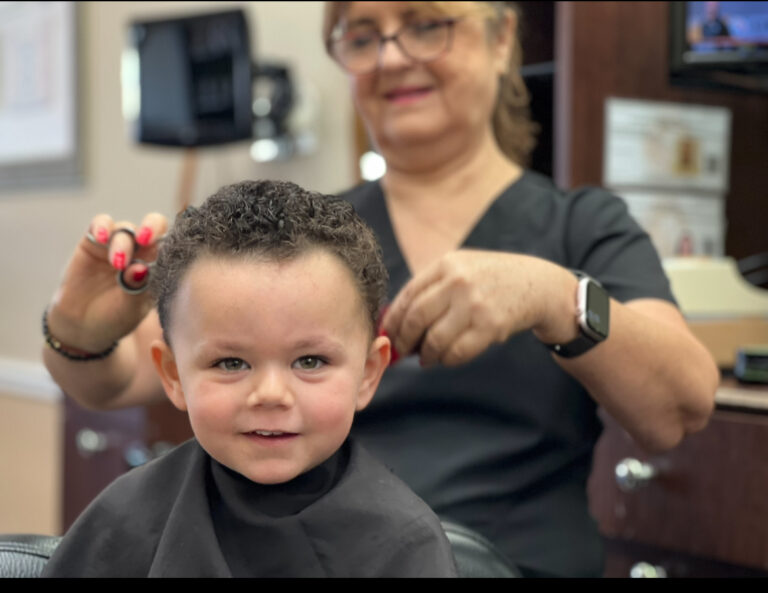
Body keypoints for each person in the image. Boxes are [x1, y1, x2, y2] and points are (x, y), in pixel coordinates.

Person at [42, 1, 719, 577]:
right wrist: (79, 327)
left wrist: (553, 296)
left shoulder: (581, 226)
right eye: (362, 36)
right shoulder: (308, 239)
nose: (392, 57)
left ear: (502, 37)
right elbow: (120, 375)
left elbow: (680, 405)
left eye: (426, 24)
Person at [42, 180, 458, 578]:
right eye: (231, 363)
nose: (271, 395)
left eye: (310, 361)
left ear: (368, 373)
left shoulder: (404, 546)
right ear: (173, 374)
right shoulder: (127, 515)